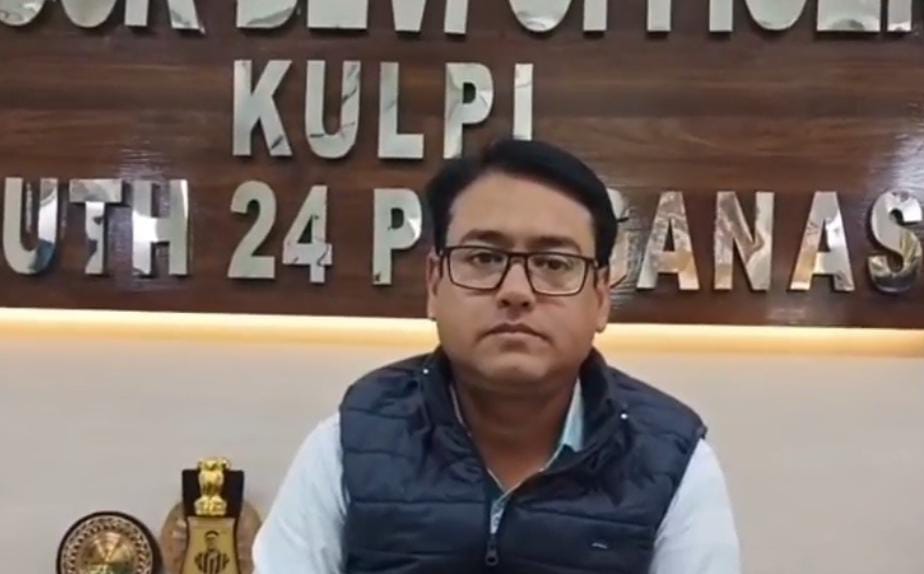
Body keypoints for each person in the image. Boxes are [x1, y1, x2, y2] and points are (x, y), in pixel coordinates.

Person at [253, 139, 741, 573]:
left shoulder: (672, 462)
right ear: (434, 284)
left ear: (600, 297)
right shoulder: (352, 441)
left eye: (553, 263)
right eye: (484, 258)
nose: (516, 291)